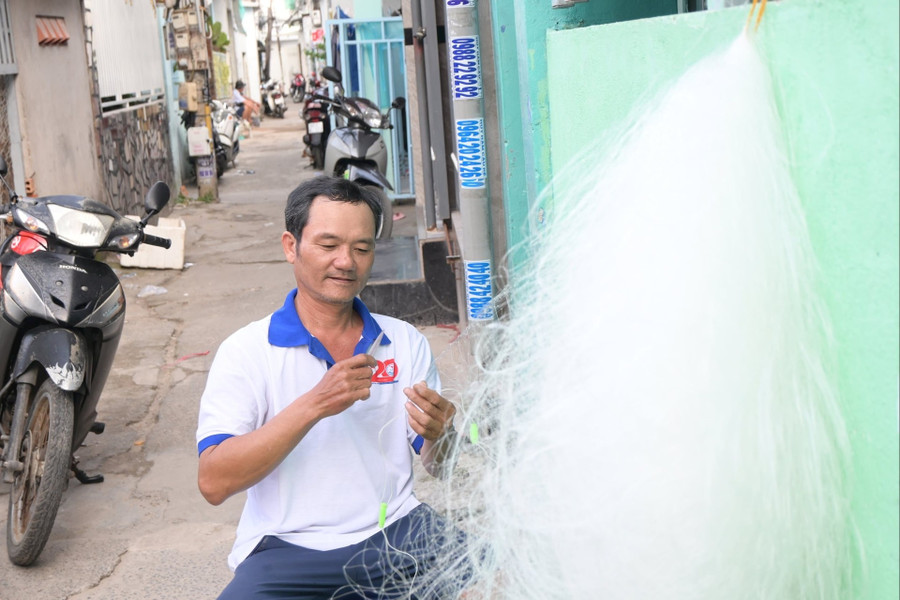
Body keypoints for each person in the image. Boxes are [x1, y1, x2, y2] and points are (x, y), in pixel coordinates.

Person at [196, 176, 468, 599]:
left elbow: (440, 466)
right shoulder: (247, 351)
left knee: (501, 580)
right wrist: (315, 404)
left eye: (362, 248)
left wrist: (442, 435)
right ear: (291, 247)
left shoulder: (402, 341)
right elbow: (214, 482)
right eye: (328, 246)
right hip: (284, 549)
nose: (346, 262)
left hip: (396, 532)